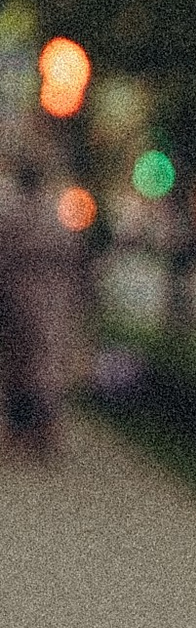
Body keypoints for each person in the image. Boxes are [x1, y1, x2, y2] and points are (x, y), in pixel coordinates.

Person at [0, 156, 83, 460]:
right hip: (51, 297)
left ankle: (28, 432)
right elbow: (74, 256)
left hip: (19, 295)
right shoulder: (56, 214)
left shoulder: (10, 213)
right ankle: (42, 432)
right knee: (44, 364)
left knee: (20, 366)